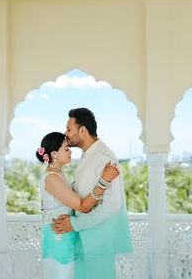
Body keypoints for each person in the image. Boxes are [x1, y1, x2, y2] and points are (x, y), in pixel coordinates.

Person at [52, 108, 132, 279]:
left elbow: (112, 206)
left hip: (99, 243)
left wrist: (75, 224)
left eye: (69, 129)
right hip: (86, 242)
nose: (65, 134)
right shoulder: (90, 155)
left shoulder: (104, 157)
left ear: (82, 130)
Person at [36, 131, 120, 279]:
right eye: (66, 149)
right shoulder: (52, 178)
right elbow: (82, 206)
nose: (70, 152)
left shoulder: (58, 174)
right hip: (59, 241)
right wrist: (104, 181)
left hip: (66, 238)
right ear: (55, 154)